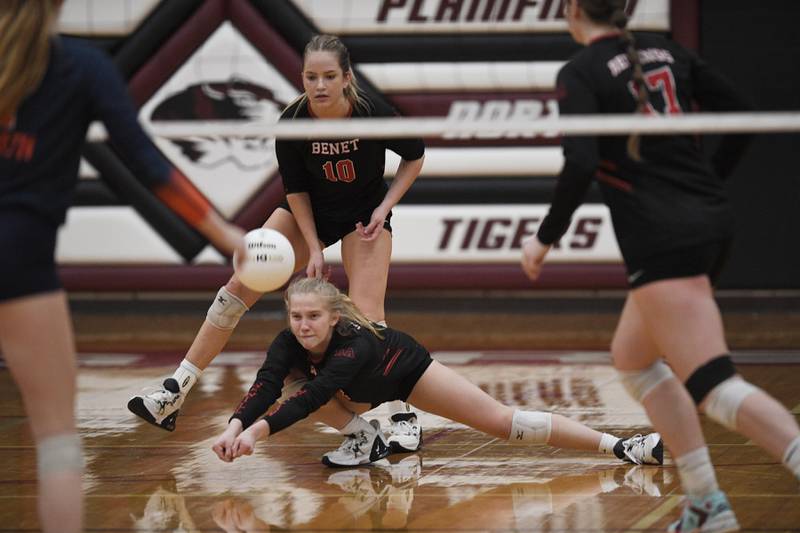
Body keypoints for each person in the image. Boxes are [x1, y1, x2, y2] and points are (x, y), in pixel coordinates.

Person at [520, 1, 800, 532]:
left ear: (574, 10)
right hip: (709, 223)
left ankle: (716, 503)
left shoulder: (580, 71)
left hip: (663, 237)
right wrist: (707, 184)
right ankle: (705, 503)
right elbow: (742, 112)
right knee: (634, 360)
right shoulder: (668, 50)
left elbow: (580, 161)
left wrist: (543, 239)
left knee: (714, 385)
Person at [0, 2, 245, 532]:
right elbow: (146, 164)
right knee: (58, 441)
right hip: (18, 263)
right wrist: (225, 234)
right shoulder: (81, 67)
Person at [128, 34, 427, 454]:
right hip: (310, 216)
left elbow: (415, 154)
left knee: (369, 322)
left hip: (364, 220)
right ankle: (175, 390)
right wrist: (312, 246)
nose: (319, 85)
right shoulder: (292, 123)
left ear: (346, 78)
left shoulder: (372, 112)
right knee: (238, 286)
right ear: (301, 78)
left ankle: (402, 414)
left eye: (328, 76)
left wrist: (385, 207)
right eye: (310, 77)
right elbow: (296, 191)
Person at [210, 277, 663, 471]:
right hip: (355, 395)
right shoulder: (289, 342)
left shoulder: (354, 341)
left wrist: (256, 435)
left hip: (406, 373)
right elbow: (265, 386)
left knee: (507, 424)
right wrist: (235, 427)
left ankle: (622, 445)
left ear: (333, 317)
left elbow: (313, 399)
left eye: (313, 317)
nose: (303, 326)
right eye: (296, 317)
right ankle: (363, 438)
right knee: (290, 380)